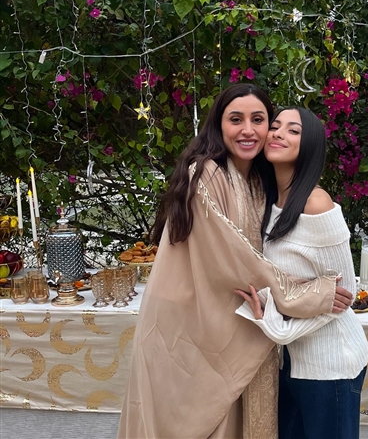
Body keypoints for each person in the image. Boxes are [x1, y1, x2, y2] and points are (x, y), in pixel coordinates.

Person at [117, 85, 354, 439]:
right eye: (236, 119)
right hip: (190, 331)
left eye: (258, 120)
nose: (248, 130)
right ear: (219, 125)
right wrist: (309, 295)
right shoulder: (207, 175)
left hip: (234, 327)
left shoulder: (258, 181)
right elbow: (235, 259)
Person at [235, 107, 368, 439]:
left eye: (293, 130)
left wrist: (277, 327)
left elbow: (343, 295)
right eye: (275, 126)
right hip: (292, 362)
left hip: (331, 365)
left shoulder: (316, 203)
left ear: (309, 145)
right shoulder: (269, 201)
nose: (278, 133)